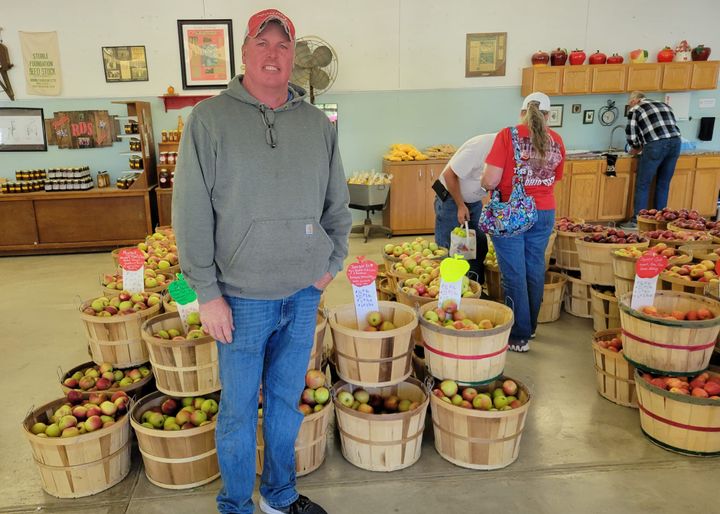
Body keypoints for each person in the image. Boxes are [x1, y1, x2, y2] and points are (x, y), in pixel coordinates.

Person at [172, 9, 351, 514]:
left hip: (302, 293)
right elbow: (189, 213)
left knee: (283, 407)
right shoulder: (208, 120)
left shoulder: (318, 125)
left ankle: (278, 496)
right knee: (234, 413)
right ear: (245, 53)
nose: (273, 54)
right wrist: (206, 293)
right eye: (263, 43)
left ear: (295, 57)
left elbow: (337, 205)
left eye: (283, 46)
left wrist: (329, 265)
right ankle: (235, 505)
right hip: (241, 299)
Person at [480, 92, 565, 352]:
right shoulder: (557, 140)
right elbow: (556, 177)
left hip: (512, 211)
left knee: (513, 273)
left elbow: (491, 180)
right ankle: (531, 327)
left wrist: (485, 184)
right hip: (544, 211)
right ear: (549, 115)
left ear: (522, 112)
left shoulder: (508, 135)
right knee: (534, 268)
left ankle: (518, 335)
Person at [433, 133, 495, 283]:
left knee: (478, 243)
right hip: (451, 198)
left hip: (473, 201)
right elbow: (449, 175)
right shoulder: (479, 147)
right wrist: (461, 205)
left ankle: (473, 285)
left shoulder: (506, 151)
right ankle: (446, 288)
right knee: (450, 247)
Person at [622, 91, 681, 229]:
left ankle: (638, 220)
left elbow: (630, 134)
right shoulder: (664, 105)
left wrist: (635, 147)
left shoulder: (635, 109)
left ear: (633, 101)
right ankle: (661, 220)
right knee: (663, 183)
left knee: (643, 184)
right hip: (676, 143)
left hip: (655, 145)